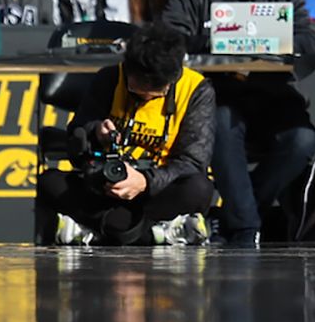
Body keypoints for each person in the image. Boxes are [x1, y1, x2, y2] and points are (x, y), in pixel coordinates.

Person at [160, 0, 315, 247]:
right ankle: (246, 228)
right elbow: (169, 35)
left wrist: (272, 38)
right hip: (214, 94)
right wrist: (217, 38)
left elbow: (308, 41)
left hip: (272, 94)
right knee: (220, 123)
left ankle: (239, 214)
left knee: (303, 140)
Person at [43, 23, 220, 247]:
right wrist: (94, 131)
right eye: (138, 91)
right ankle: (161, 233)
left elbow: (193, 162)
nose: (145, 98)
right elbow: (76, 145)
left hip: (160, 189)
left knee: (199, 188)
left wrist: (145, 181)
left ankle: (100, 232)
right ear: (128, 69)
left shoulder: (197, 90)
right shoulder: (109, 78)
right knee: (50, 182)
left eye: (154, 95)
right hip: (108, 189)